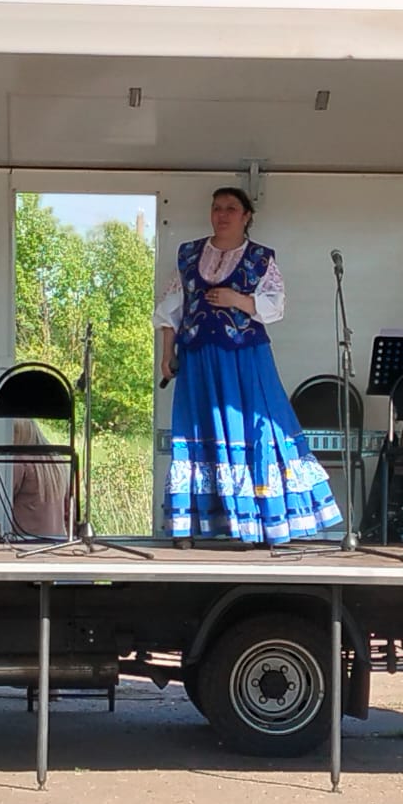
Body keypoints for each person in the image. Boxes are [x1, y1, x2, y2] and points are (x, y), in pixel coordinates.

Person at [153, 187, 341, 546]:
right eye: (217, 208)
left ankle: (261, 524)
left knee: (256, 430)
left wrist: (237, 300)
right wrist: (167, 354)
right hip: (199, 360)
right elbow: (170, 311)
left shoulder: (259, 258)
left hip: (244, 359)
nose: (222, 214)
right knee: (198, 432)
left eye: (230, 208)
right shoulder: (189, 255)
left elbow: (275, 307)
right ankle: (191, 524)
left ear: (246, 216)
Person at [10, 418, 74, 539]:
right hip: (58, 541)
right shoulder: (58, 461)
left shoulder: (20, 462)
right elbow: (70, 510)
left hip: (25, 541)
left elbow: (0, 499)